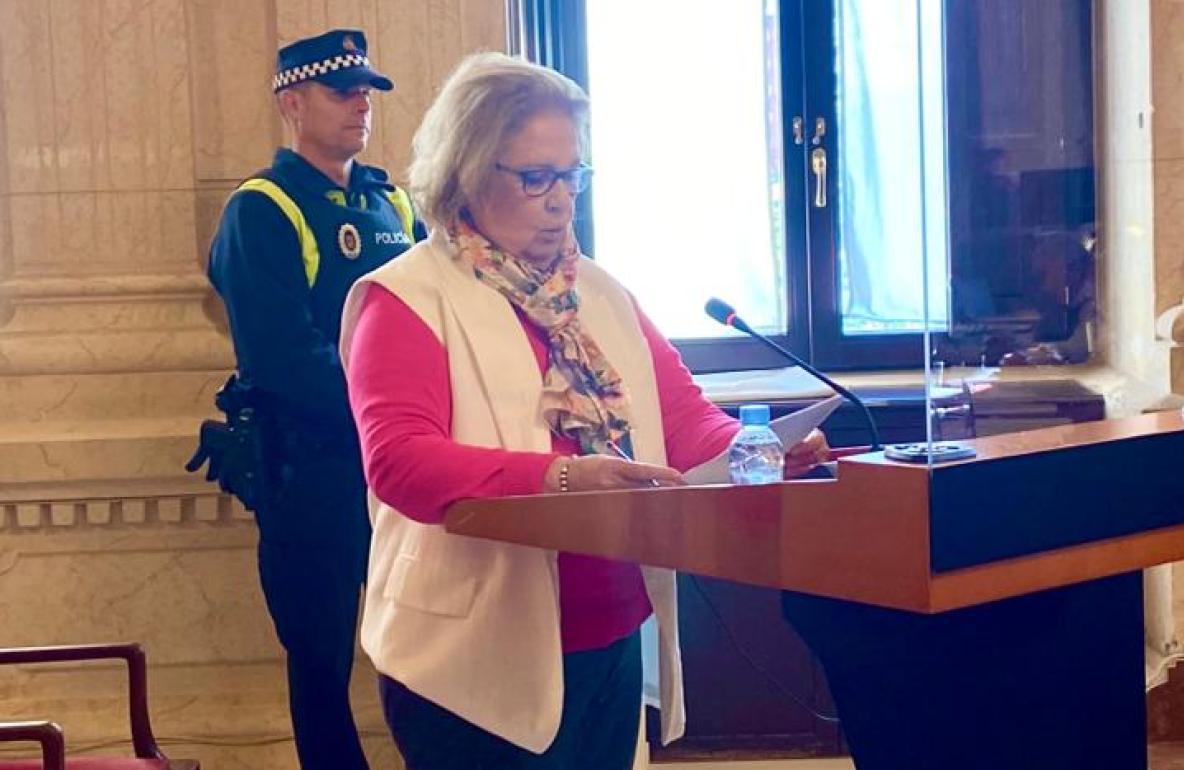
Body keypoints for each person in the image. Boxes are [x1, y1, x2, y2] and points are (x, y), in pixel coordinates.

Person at [338, 52, 831, 769]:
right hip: (469, 653)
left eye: (572, 175)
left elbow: (686, 422)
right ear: (467, 173)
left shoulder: (598, 294)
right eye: (535, 177)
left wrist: (758, 447)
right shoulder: (409, 298)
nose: (561, 200)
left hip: (609, 630)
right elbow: (400, 462)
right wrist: (563, 479)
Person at [202, 29, 423, 770]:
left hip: (396, 467)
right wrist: (391, 411)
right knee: (322, 660)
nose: (361, 103)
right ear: (292, 104)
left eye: (367, 91)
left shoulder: (390, 198)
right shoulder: (262, 208)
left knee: (424, 643)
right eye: (342, 91)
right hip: (313, 468)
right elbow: (285, 356)